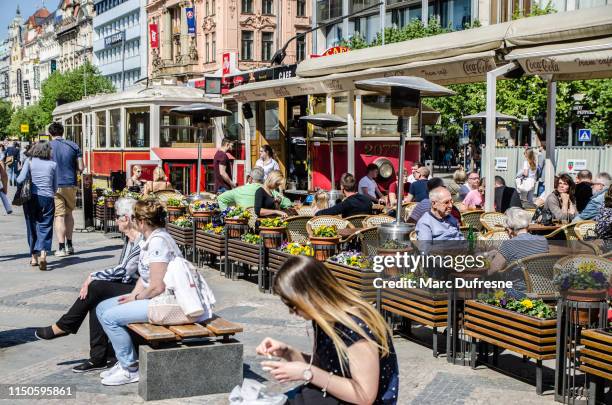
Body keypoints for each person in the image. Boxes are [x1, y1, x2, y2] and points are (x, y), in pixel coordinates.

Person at [96, 199, 209, 386]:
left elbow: (157, 286)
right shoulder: (149, 239)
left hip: (168, 302)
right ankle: (123, 360)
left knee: (110, 317)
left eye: (134, 218)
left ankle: (129, 368)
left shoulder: (158, 243)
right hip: (153, 297)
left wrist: (136, 298)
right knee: (102, 308)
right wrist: (133, 295)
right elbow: (145, 276)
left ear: (142, 222)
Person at [257, 256, 398, 404]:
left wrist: (307, 373)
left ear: (309, 297)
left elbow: (364, 396)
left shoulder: (355, 326)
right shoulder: (323, 319)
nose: (292, 312)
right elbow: (325, 366)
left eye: (293, 305)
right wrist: (287, 352)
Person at [35, 198, 142, 373]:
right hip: (132, 286)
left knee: (96, 288)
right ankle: (96, 357)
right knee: (96, 294)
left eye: (117, 217)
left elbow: (124, 271)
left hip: (142, 291)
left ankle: (65, 327)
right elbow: (121, 271)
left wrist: (92, 276)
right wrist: (97, 278)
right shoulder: (129, 239)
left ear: (127, 219)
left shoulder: (140, 240)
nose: (115, 220)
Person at [487, 208, 549, 297]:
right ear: (527, 226)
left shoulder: (509, 244)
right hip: (543, 291)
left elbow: (491, 270)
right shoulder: (543, 240)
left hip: (519, 293)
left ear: (509, 229)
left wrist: (489, 257)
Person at [17, 142, 58, 270]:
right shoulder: (53, 164)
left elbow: (19, 179)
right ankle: (44, 256)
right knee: (45, 226)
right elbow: (55, 186)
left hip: (31, 198)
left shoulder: (29, 161)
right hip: (47, 198)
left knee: (32, 226)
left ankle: (34, 258)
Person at [49, 123, 84, 257]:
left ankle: (61, 247)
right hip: (71, 183)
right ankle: (70, 244)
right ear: (63, 132)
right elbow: (81, 167)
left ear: (50, 133)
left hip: (55, 185)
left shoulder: (47, 146)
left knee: (59, 216)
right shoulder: (73, 145)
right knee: (69, 214)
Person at [217, 167, 292, 210]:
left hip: (243, 224)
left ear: (250, 179)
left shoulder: (238, 190)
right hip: (264, 224)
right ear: (262, 179)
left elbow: (220, 198)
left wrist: (228, 214)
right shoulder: (269, 191)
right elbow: (288, 203)